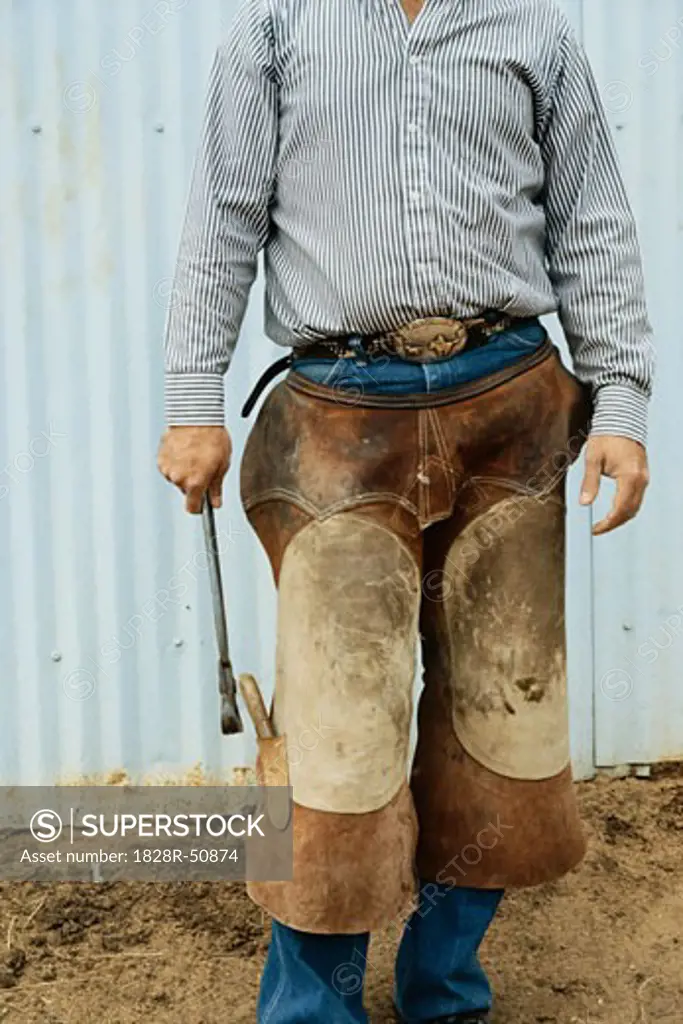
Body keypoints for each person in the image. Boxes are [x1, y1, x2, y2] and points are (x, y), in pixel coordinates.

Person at [157, 1, 654, 1020]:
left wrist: (624, 405)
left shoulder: (533, 32)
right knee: (337, 748)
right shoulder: (276, 30)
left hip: (510, 408)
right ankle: (315, 1010)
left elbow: (590, 220)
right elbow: (223, 213)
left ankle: (443, 991)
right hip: (338, 421)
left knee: (500, 728)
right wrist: (190, 404)